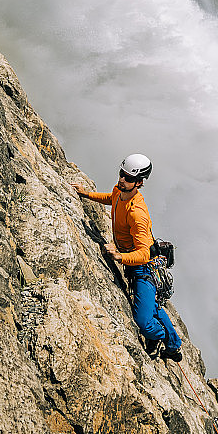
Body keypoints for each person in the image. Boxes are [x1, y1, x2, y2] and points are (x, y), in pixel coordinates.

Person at [72, 154, 182, 361]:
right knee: (153, 308)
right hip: (135, 264)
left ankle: (163, 338)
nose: (122, 180)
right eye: (122, 174)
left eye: (128, 178)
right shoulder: (119, 190)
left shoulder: (137, 214)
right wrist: (86, 194)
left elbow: (144, 253)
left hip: (144, 269)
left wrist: (120, 256)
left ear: (139, 183)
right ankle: (174, 344)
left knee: (143, 321)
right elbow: (111, 199)